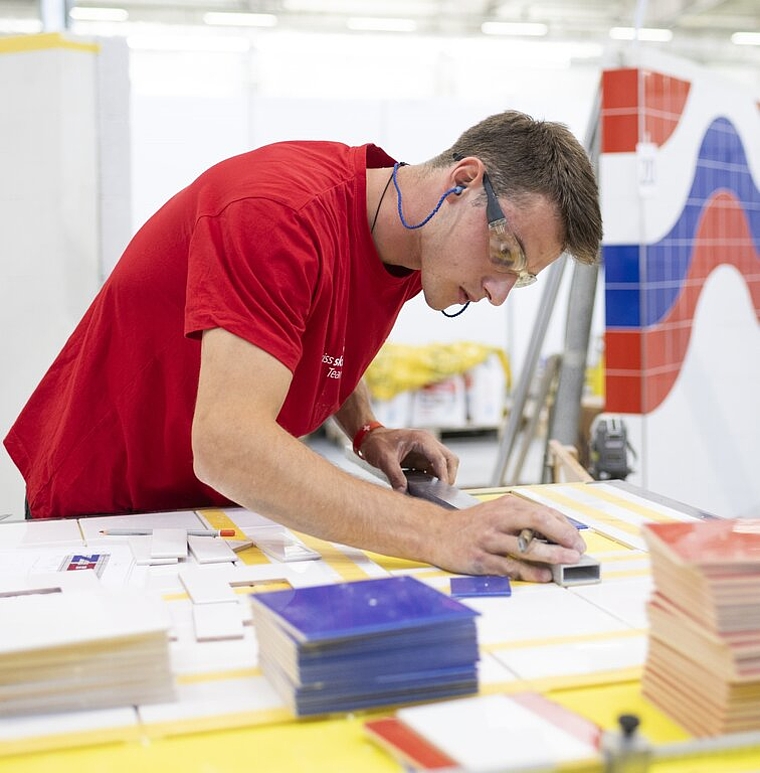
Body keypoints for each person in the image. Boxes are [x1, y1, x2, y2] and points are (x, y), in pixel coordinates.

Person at [4, 110, 601, 581]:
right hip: (101, 512)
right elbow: (227, 444)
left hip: (208, 512)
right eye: (506, 254)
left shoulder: (406, 241)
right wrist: (440, 532)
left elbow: (317, 330)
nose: (498, 293)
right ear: (464, 183)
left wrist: (366, 428)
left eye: (520, 277)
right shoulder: (277, 215)